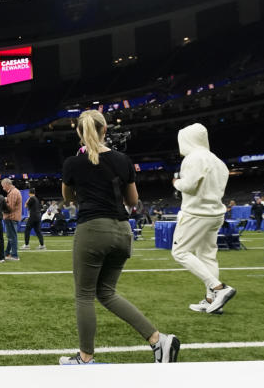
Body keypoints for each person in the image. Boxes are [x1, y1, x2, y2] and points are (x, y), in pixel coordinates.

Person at [60, 110, 179, 364]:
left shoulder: (73, 163)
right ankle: (158, 340)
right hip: (123, 231)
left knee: (84, 295)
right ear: (105, 130)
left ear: (79, 133)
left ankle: (85, 358)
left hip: (92, 229)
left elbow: (68, 198)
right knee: (106, 293)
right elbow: (133, 201)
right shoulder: (123, 160)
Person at [171, 123, 236, 315]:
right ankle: (211, 301)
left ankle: (218, 288)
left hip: (196, 213)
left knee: (180, 252)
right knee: (207, 255)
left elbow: (190, 186)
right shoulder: (217, 160)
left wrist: (177, 182)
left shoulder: (193, 158)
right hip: (216, 212)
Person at [0, 178, 21, 260]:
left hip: (11, 217)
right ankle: (7, 253)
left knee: (12, 237)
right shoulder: (14, 192)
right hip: (12, 217)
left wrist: (2, 205)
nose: (3, 188)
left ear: (7, 184)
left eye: (3, 186)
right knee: (11, 236)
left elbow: (9, 208)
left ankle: (14, 255)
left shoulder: (13, 193)